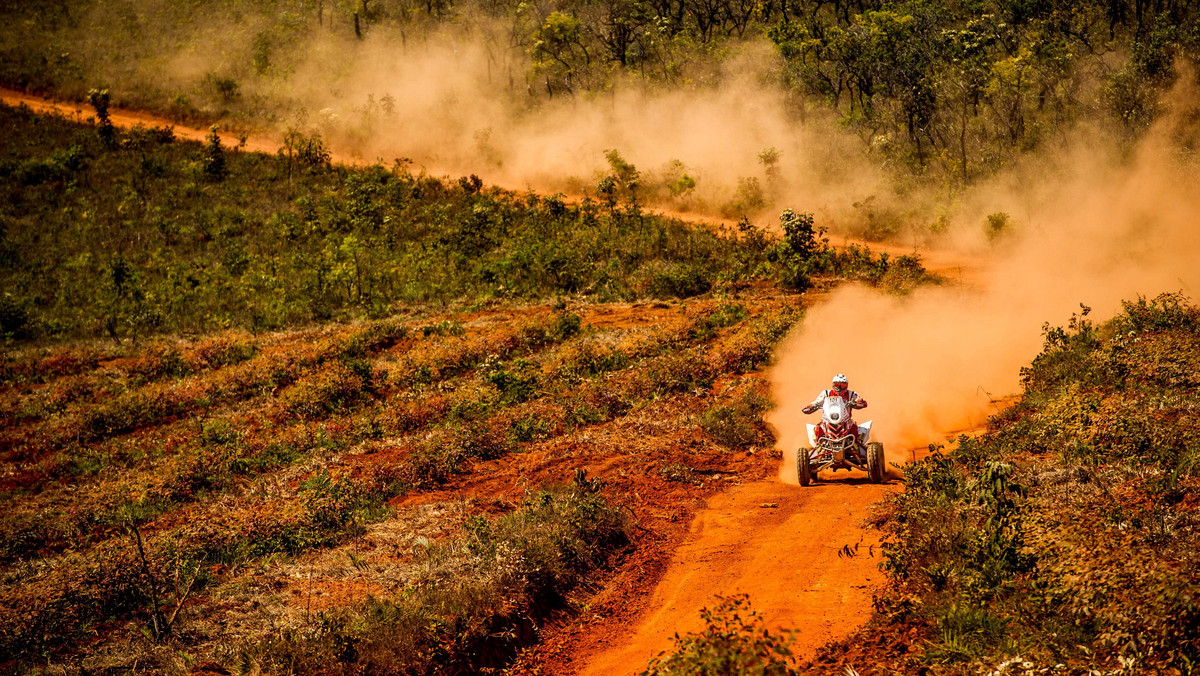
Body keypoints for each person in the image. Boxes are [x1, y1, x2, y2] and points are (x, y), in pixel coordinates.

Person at [802, 374, 868, 454]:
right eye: (837, 385)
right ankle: (819, 447)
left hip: (845, 420)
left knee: (854, 427)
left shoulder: (851, 394)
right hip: (828, 420)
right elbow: (816, 402)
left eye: (842, 385)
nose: (839, 387)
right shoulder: (826, 393)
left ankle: (857, 446)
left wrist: (859, 401)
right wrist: (811, 406)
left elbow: (860, 400)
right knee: (818, 428)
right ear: (833, 385)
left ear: (846, 385)